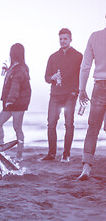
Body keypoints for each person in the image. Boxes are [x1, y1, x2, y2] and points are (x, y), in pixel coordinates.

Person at [41, 28, 83, 162]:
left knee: (69, 124)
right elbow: (46, 77)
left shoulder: (78, 56)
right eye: (60, 39)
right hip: (55, 95)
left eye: (65, 38)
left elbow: (82, 75)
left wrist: (78, 91)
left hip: (71, 94)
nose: (62, 41)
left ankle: (66, 154)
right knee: (51, 124)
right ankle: (51, 154)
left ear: (70, 39)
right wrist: (52, 77)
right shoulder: (53, 57)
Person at [77, 17, 106, 180]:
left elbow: (85, 66)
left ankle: (86, 168)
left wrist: (82, 89)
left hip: (99, 85)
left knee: (93, 128)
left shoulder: (95, 37)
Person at [0, 43, 31, 161]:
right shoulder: (14, 67)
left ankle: (19, 156)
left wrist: (10, 100)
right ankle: (1, 150)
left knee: (17, 127)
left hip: (18, 102)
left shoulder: (20, 69)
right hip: (11, 102)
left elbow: (15, 85)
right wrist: (6, 70)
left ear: (13, 53)